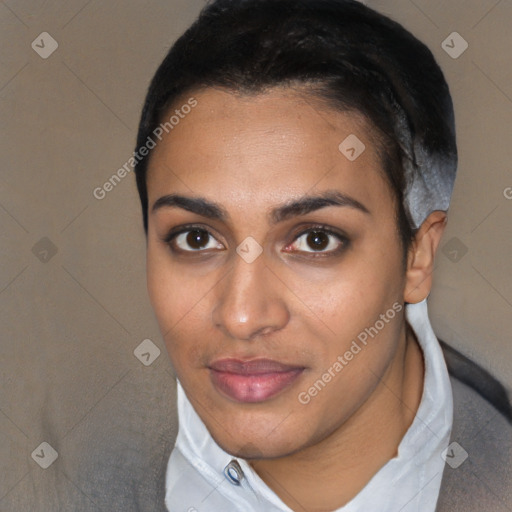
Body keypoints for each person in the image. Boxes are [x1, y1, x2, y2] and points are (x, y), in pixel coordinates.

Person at [132, 0, 512, 510]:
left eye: (315, 240)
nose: (243, 316)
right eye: (196, 238)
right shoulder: (59, 480)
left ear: (418, 257)